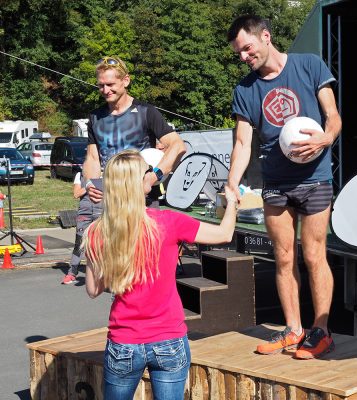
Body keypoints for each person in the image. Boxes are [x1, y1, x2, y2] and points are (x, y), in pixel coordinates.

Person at [226, 15, 342, 359]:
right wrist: (233, 182)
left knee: (313, 254)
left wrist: (325, 138)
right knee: (283, 256)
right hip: (275, 183)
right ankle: (293, 330)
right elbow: (243, 143)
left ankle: (321, 332)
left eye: (247, 48)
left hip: (315, 177)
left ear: (265, 36)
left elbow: (333, 116)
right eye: (239, 54)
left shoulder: (309, 66)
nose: (245, 57)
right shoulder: (245, 89)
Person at [83, 150, 238, 399]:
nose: (151, 176)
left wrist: (94, 248)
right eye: (148, 171)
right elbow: (224, 235)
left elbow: (93, 290)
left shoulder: (97, 231)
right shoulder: (168, 221)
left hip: (124, 341)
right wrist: (231, 203)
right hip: (169, 338)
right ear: (139, 182)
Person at [82, 55, 185, 207]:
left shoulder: (146, 112)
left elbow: (178, 146)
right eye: (101, 85)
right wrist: (90, 183)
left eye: (110, 84)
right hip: (111, 200)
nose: (105, 90)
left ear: (126, 81)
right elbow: (92, 158)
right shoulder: (95, 117)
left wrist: (153, 176)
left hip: (143, 200)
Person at [61, 171, 100, 284]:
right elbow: (76, 194)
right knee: (79, 243)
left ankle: (103, 274)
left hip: (101, 212)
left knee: (102, 243)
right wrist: (89, 185)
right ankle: (72, 273)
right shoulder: (80, 175)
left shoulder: (106, 173)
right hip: (84, 213)